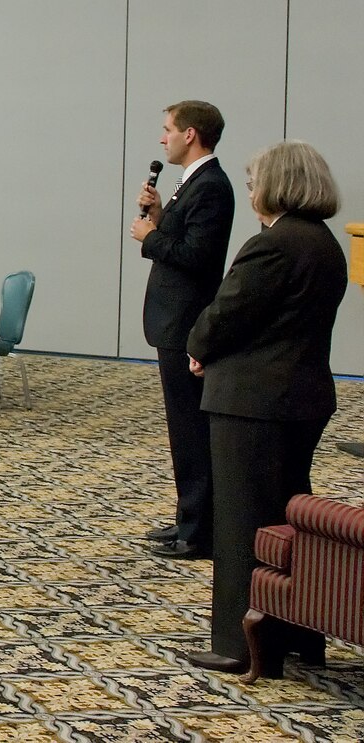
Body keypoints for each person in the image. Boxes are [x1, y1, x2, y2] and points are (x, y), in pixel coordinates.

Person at [180, 140, 345, 673]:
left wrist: (199, 348)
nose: (251, 192)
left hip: (253, 403)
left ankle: (238, 644)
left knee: (242, 523)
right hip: (302, 397)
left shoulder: (272, 244)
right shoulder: (323, 243)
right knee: (288, 517)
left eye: (254, 183)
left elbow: (228, 312)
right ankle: (297, 630)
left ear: (278, 185)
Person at [132, 100, 235, 561]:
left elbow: (197, 257)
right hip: (172, 319)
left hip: (185, 321)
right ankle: (188, 517)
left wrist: (149, 237)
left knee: (191, 429)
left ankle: (198, 531)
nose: (162, 138)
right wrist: (157, 219)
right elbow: (182, 243)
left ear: (190, 134)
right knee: (182, 428)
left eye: (167, 129)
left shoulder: (211, 186)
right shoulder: (190, 183)